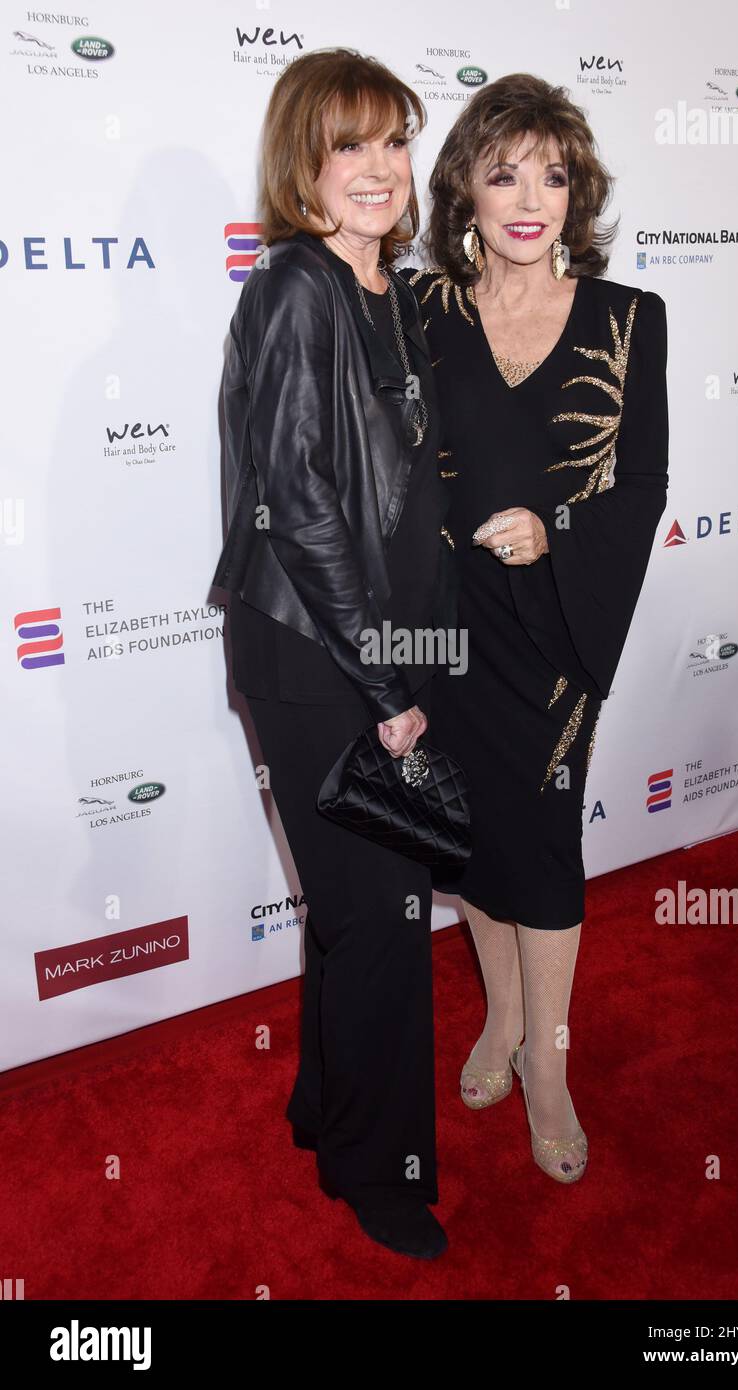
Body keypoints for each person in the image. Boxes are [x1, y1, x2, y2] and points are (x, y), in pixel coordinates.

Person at [399, 73, 669, 1183]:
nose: (529, 196)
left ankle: (548, 1067)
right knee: (471, 843)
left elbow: (641, 484)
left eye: (552, 174)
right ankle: (501, 1018)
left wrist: (555, 531)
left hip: (555, 635)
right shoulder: (422, 309)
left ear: (578, 191)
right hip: (447, 627)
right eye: (502, 169)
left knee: (546, 853)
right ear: (463, 183)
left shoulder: (627, 318)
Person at [212, 48, 453, 1257]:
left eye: (395, 141)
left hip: (364, 639)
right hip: (320, 655)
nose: (379, 169)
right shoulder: (299, 285)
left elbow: (395, 496)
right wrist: (389, 686)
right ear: (302, 161)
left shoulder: (387, 291)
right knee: (382, 908)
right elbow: (300, 503)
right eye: (349, 143)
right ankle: (383, 1169)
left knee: (356, 907)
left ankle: (324, 1109)